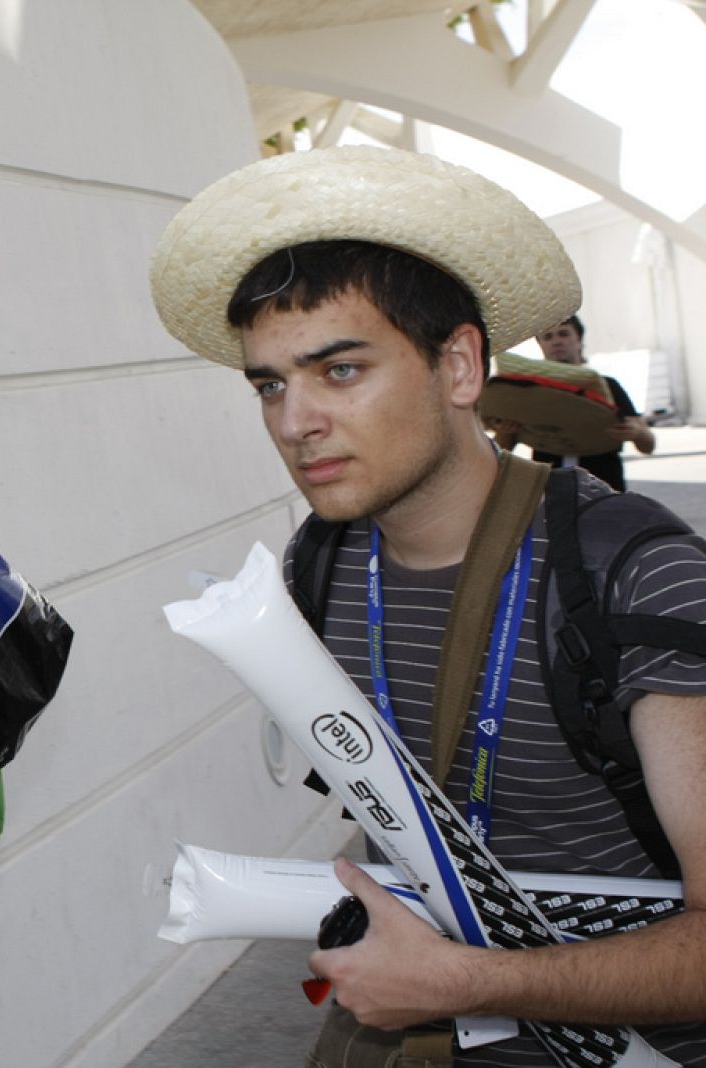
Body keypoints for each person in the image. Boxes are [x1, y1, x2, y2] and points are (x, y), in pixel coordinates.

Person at [149, 147, 706, 1066]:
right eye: (269, 384)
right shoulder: (320, 566)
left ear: (457, 366)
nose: (295, 423)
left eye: (340, 371)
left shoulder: (633, 578)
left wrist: (473, 981)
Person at [490, 314, 655, 491]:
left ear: (579, 340)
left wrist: (638, 433)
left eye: (564, 334)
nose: (556, 341)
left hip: (604, 490)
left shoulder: (608, 385)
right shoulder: (529, 391)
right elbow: (501, 453)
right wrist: (505, 431)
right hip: (550, 492)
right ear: (541, 346)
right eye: (548, 337)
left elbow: (648, 445)